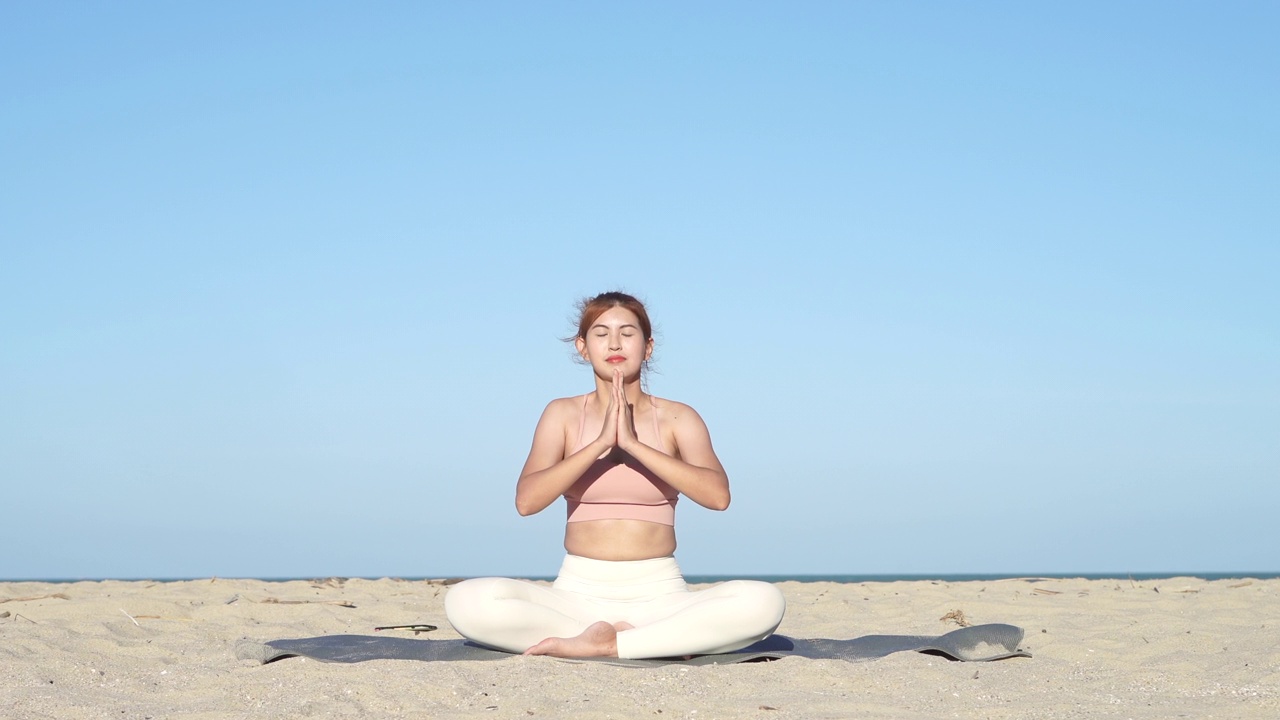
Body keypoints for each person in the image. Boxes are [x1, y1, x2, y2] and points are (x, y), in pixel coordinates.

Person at [444, 291, 785, 659]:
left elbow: (718, 496)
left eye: (628, 332)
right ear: (582, 347)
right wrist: (600, 443)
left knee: (764, 602)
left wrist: (636, 445)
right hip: (576, 594)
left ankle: (612, 644)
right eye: (601, 333)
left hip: (660, 593)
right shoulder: (562, 414)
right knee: (466, 601)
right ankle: (653, 641)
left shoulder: (678, 418)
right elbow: (527, 501)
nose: (615, 343)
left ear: (648, 346)